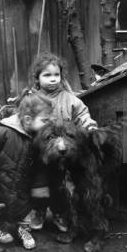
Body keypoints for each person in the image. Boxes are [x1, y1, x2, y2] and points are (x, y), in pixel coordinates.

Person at [0, 89, 53, 250]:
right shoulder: (5, 131)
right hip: (1, 180)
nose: (49, 124)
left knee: (23, 207)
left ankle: (22, 228)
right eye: (45, 120)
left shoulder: (38, 137)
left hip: (23, 183)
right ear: (28, 119)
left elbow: (42, 163)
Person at [27, 52, 98, 231]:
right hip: (41, 155)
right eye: (47, 75)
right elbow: (24, 119)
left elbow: (82, 115)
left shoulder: (70, 99)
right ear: (37, 78)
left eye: (56, 75)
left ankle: (60, 213)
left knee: (61, 187)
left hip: (64, 153)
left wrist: (87, 124)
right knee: (39, 185)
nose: (53, 79)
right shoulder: (32, 99)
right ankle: (39, 210)